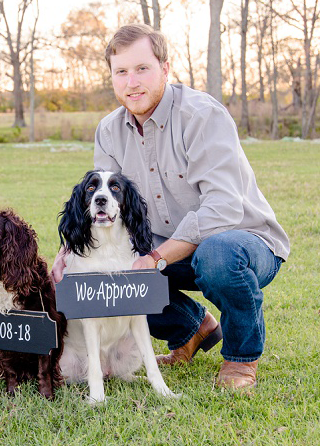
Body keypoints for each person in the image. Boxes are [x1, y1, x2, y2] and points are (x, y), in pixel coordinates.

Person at [54, 23, 289, 391]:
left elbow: (223, 209)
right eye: (121, 72)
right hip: (164, 248)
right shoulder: (109, 131)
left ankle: (240, 359)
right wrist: (70, 253)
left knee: (217, 256)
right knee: (109, 277)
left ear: (165, 69)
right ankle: (192, 328)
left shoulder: (201, 116)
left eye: (142, 69)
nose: (132, 82)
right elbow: (105, 210)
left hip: (242, 242)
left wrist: (156, 258)